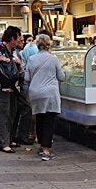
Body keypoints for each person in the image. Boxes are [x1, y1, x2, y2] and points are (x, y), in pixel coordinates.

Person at [24, 33, 65, 161]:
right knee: (48, 121)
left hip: (35, 93)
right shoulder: (53, 59)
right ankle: (46, 150)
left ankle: (42, 146)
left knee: (40, 119)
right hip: (49, 93)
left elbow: (26, 78)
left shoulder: (31, 59)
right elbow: (62, 77)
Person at [0, 26, 22, 153]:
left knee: (12, 112)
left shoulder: (13, 50)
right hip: (0, 85)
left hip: (12, 84)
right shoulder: (0, 48)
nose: (20, 40)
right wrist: (1, 59)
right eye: (19, 37)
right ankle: (3, 143)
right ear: (12, 38)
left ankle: (9, 138)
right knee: (4, 113)